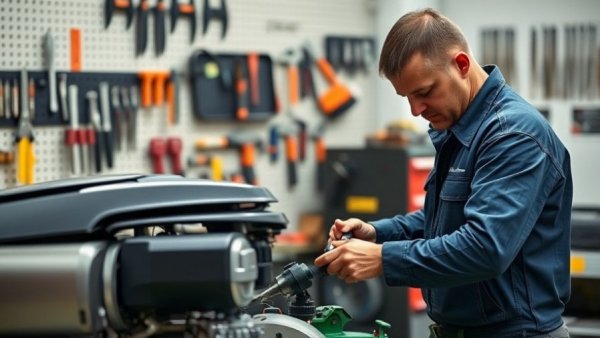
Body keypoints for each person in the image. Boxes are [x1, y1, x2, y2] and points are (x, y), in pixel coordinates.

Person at [314, 8, 572, 338]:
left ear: (461, 65)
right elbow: (445, 220)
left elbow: (485, 247)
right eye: (406, 97)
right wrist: (378, 233)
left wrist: (382, 258)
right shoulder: (461, 129)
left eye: (423, 92)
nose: (415, 111)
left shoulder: (513, 135)